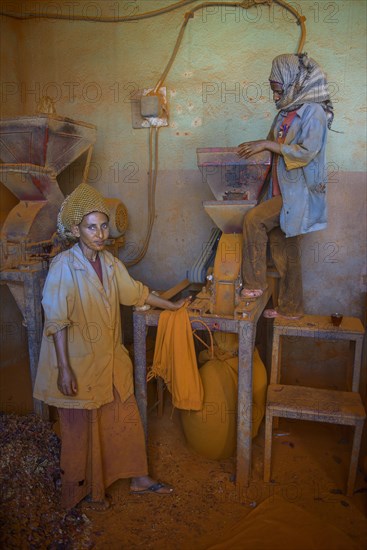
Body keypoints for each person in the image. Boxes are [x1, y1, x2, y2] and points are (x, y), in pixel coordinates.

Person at [33, 183, 190, 510]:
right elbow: (57, 320)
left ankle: (138, 477)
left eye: (104, 226)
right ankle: (78, 493)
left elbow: (137, 293)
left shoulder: (109, 264)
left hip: (109, 360)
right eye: (92, 227)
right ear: (76, 230)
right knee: (79, 429)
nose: (100, 233)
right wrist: (64, 369)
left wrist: (171, 306)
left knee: (125, 415)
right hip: (76, 363)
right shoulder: (64, 265)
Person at [238, 53, 334, 319]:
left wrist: (267, 144)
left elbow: (306, 152)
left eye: (277, 89)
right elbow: (271, 146)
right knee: (284, 248)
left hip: (299, 193)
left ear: (292, 82)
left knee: (253, 220)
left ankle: (255, 285)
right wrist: (252, 152)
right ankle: (291, 308)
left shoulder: (313, 113)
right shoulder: (284, 114)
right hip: (280, 190)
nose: (274, 95)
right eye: (273, 90)